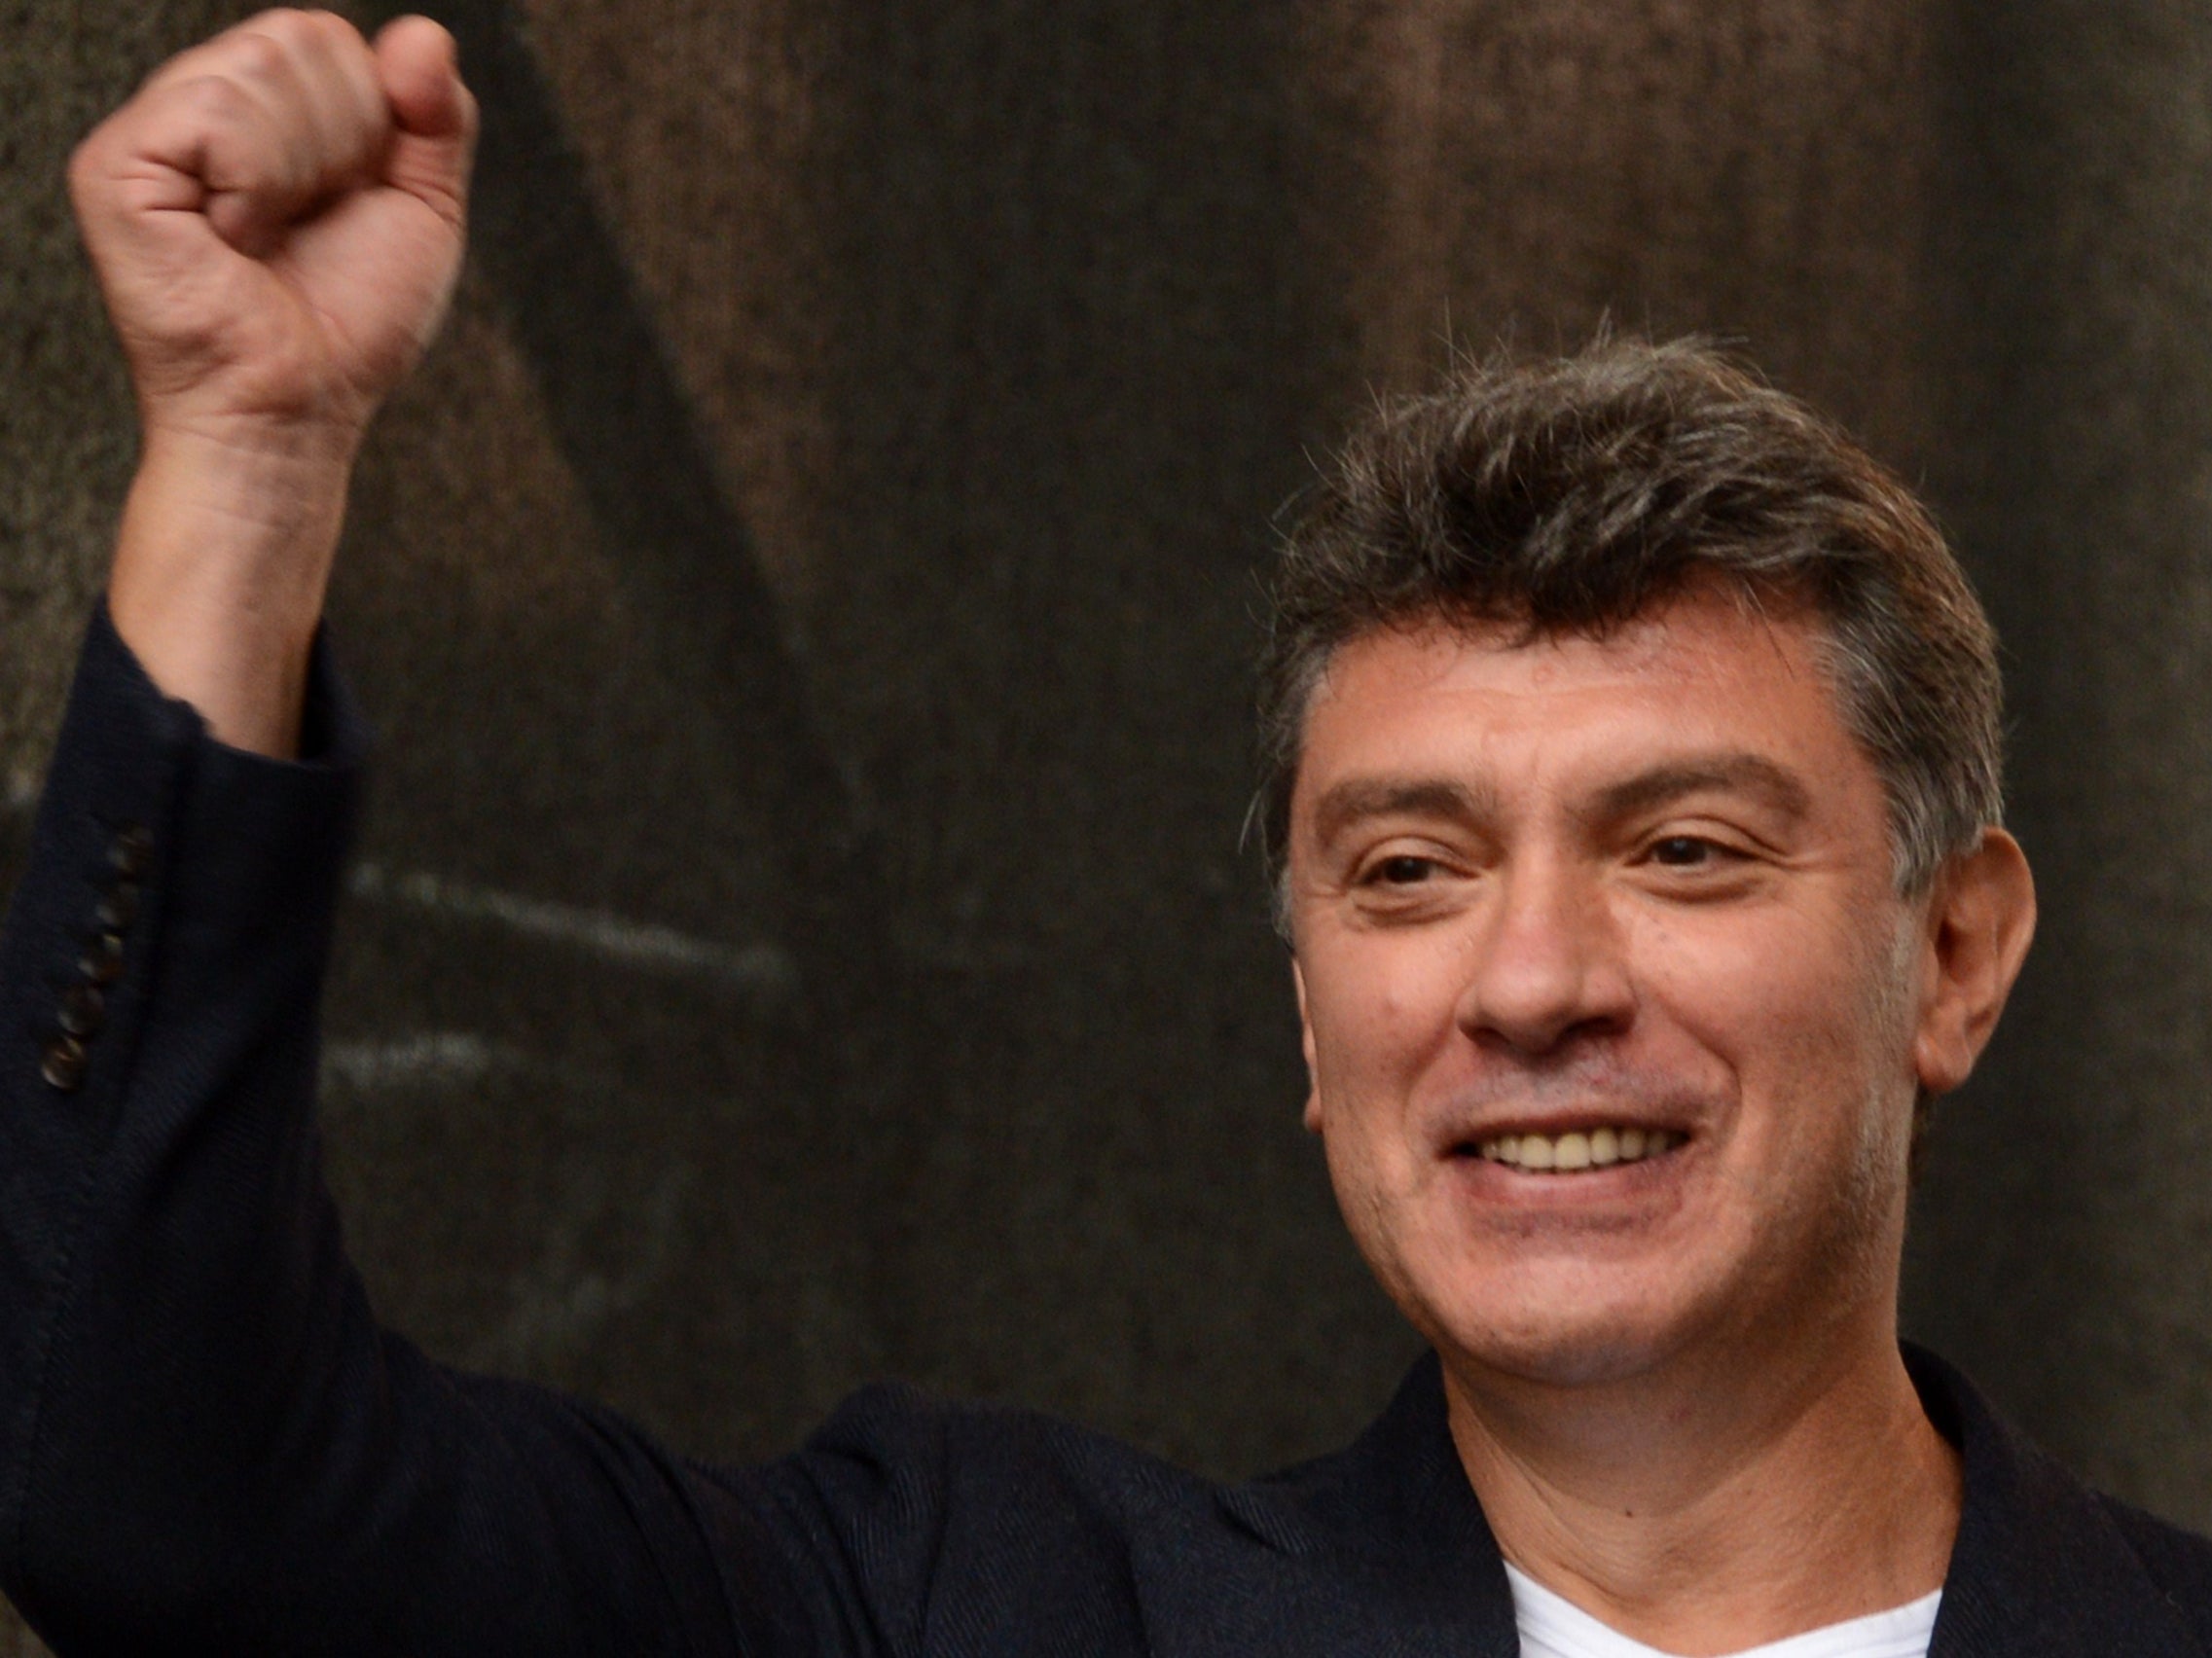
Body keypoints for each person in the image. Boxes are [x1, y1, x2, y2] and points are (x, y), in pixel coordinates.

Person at [1, 10, 2206, 1657]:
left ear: (1954, 952)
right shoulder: (970, 1604)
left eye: (1686, 851)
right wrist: (253, 455)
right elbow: (145, 1483)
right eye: (1410, 872)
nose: (1532, 983)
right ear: (1314, 1016)